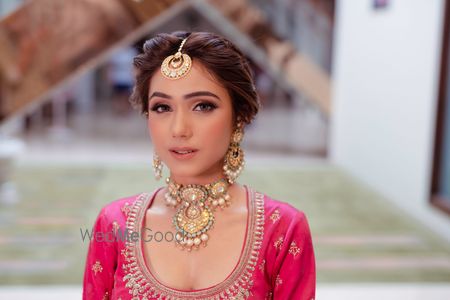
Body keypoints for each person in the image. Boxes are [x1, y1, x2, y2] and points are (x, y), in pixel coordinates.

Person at [82, 31, 316, 300]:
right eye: (162, 108)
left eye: (203, 106)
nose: (179, 129)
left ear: (238, 117)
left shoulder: (283, 229)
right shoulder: (115, 225)